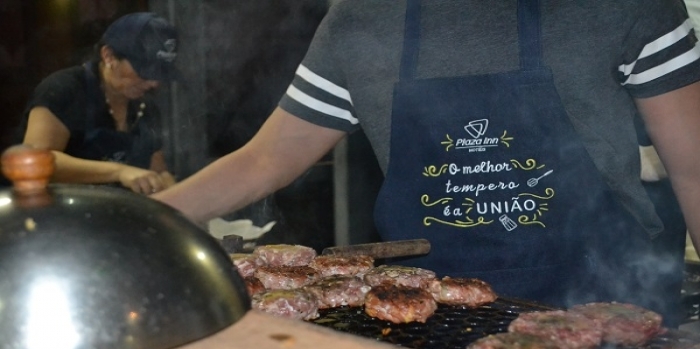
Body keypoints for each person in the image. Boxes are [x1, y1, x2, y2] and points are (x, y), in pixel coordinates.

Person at [154, 0, 700, 327]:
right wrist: (129, 218)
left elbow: (693, 164)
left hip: (604, 305)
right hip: (423, 313)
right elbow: (264, 159)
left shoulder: (623, 5)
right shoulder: (362, 19)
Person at [18, 12, 178, 194]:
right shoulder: (64, 90)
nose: (153, 83)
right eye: (145, 71)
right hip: (54, 215)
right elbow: (34, 162)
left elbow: (157, 170)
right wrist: (119, 171)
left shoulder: (146, 106)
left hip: (117, 214)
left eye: (161, 74)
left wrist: (170, 187)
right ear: (108, 56)